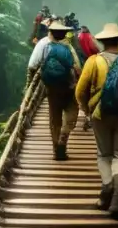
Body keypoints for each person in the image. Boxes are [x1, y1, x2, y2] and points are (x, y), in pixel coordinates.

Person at [75, 23, 118, 220]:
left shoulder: (94, 61)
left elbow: (80, 91)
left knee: (104, 154)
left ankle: (107, 186)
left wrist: (87, 110)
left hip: (100, 114)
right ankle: (117, 200)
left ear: (102, 42)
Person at [27, 18, 81, 160]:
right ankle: (64, 134)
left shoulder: (43, 44)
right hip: (69, 87)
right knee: (72, 112)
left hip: (51, 88)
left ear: (50, 31)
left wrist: (30, 87)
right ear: (64, 33)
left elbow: (32, 66)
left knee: (54, 118)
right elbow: (77, 67)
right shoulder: (68, 46)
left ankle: (57, 149)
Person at [77, 25, 100, 131]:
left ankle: (86, 115)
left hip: (81, 65)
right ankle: (90, 118)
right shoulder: (90, 37)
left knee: (83, 91)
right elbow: (95, 48)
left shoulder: (78, 37)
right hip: (92, 63)